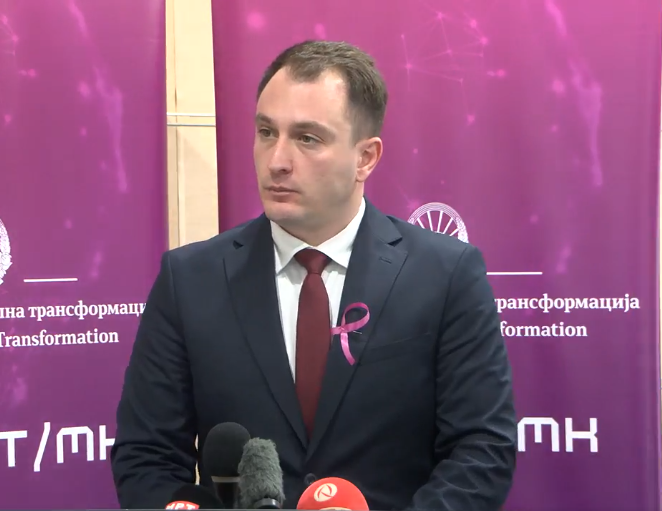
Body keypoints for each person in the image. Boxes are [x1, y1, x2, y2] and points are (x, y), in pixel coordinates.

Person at [110, 40, 517, 511]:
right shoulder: (189, 281)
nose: (277, 160)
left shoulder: (445, 275)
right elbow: (147, 458)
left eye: (307, 138)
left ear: (365, 157)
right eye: (267, 132)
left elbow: (481, 449)